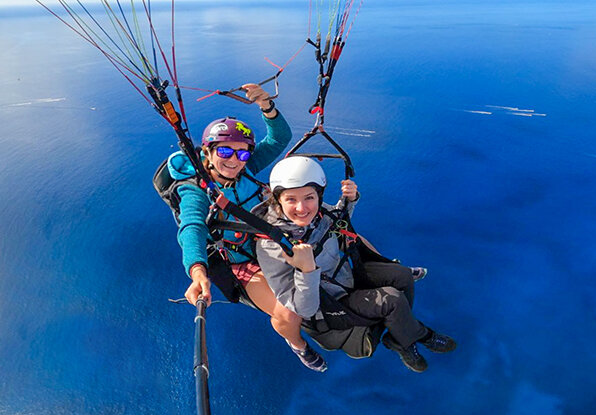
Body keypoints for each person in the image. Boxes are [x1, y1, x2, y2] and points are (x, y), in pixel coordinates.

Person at [167, 83, 328, 372]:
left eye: (242, 154)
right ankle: (298, 346)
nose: (234, 161)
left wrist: (267, 106)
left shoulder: (245, 170)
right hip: (243, 261)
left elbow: (279, 139)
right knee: (290, 315)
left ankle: (386, 269)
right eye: (225, 152)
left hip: (272, 240)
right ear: (208, 151)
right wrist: (197, 271)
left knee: (335, 228)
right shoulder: (195, 192)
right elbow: (192, 227)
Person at [256, 156, 456, 373]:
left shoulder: (317, 211)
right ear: (278, 199)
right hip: (329, 302)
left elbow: (336, 222)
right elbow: (304, 308)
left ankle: (401, 335)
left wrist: (349, 201)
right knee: (393, 299)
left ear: (318, 195)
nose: (302, 207)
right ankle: (415, 337)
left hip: (343, 277)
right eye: (291, 200)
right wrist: (306, 270)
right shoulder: (272, 245)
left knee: (402, 275)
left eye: (309, 197)